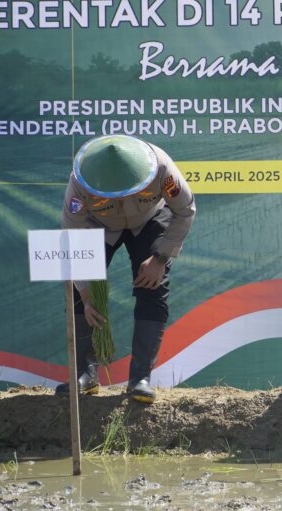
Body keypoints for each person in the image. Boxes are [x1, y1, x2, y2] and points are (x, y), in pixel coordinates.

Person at [56, 135, 196, 404]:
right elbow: (71, 239)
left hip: (150, 220)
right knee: (78, 294)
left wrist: (160, 257)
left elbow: (186, 210)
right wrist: (85, 294)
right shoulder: (79, 183)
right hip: (97, 225)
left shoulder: (162, 168)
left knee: (153, 288)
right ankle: (85, 374)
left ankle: (140, 379)